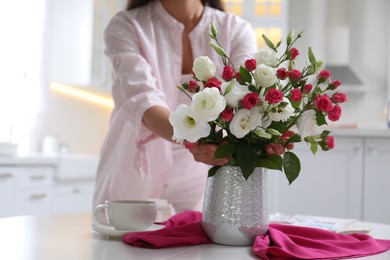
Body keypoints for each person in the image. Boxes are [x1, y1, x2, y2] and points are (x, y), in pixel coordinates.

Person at [93, 0, 257, 213]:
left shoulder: (235, 30)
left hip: (203, 181)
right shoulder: (127, 25)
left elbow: (245, 101)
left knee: (199, 244)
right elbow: (142, 99)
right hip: (135, 179)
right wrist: (193, 142)